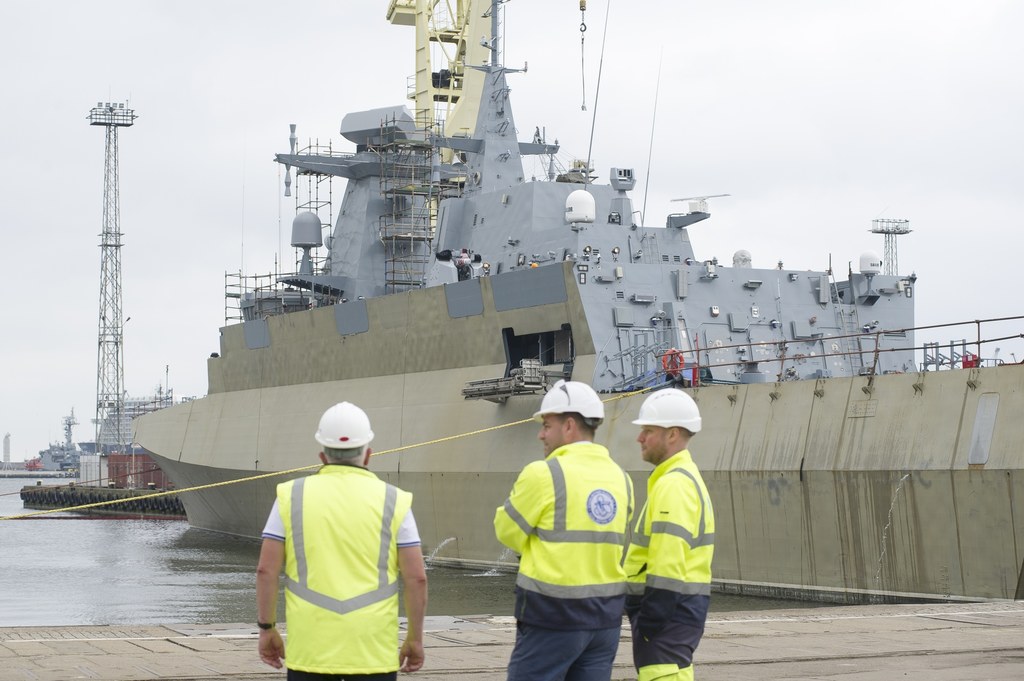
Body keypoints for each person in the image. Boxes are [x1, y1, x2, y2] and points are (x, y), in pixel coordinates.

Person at [256, 401, 428, 680]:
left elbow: (266, 570)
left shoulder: (290, 496)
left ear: (322, 456)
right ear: (368, 454)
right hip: (374, 653)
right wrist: (415, 639)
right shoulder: (395, 500)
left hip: (310, 653)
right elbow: (416, 578)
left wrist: (267, 628)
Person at [494, 379, 634, 681]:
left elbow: (506, 532)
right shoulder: (622, 478)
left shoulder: (543, 473)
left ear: (568, 426)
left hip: (552, 618)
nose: (540, 434)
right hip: (605, 623)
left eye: (546, 425)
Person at [622, 389, 714, 681]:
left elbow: (668, 556)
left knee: (662, 674)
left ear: (672, 434)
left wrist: (651, 618)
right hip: (677, 610)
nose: (640, 438)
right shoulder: (679, 478)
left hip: (666, 612)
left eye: (647, 430)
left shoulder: (673, 485)